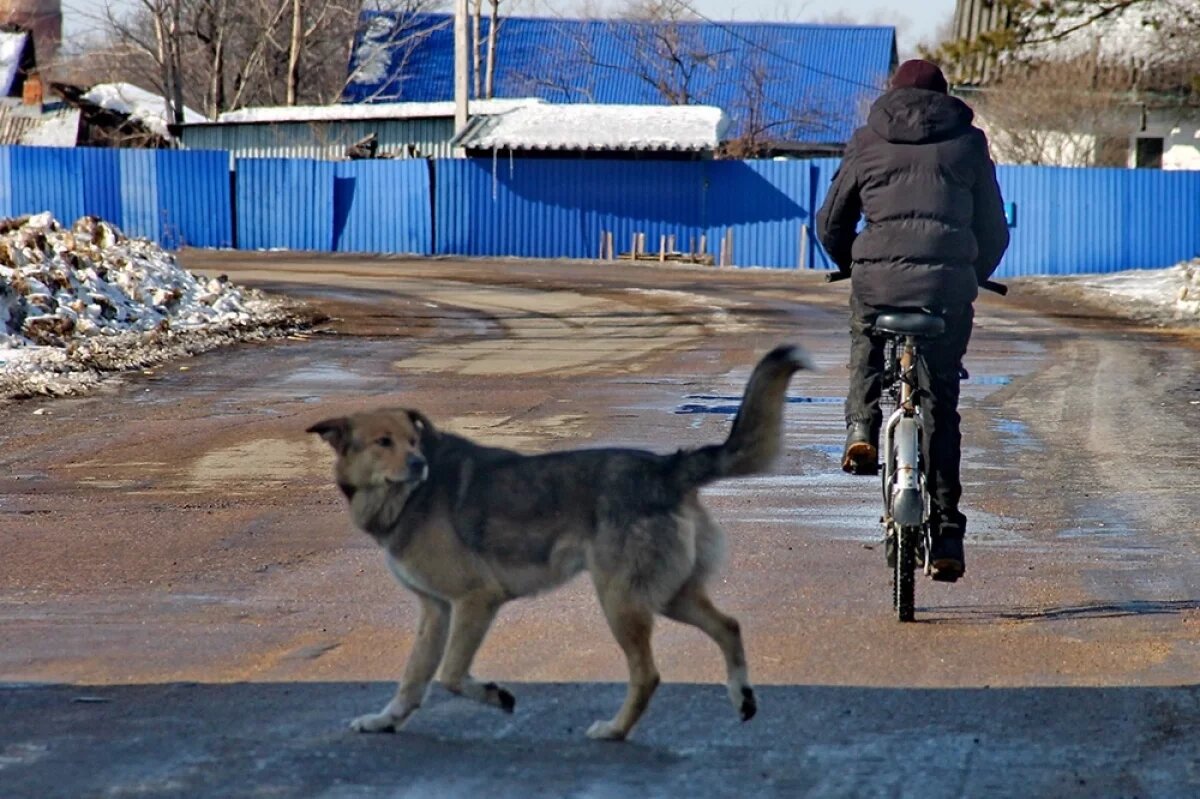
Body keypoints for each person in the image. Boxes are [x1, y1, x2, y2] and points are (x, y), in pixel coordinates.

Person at [815, 59, 1010, 582]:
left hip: (877, 284)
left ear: (892, 94)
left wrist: (848, 265)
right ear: (945, 98)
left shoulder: (867, 139)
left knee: (866, 329)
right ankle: (946, 530)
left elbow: (832, 221)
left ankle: (861, 424)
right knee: (940, 401)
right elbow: (993, 230)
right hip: (947, 293)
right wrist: (972, 273)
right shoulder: (969, 144)